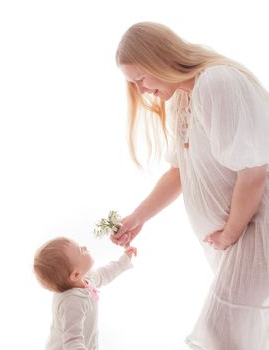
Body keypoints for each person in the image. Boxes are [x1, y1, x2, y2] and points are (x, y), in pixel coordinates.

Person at [111, 21, 269, 350]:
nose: (141, 91)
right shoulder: (182, 100)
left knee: (223, 334)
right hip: (237, 239)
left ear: (159, 58)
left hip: (252, 230)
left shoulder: (216, 82)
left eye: (141, 79)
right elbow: (179, 172)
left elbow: (254, 172)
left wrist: (230, 233)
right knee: (239, 335)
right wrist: (137, 217)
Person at [33, 236, 136, 350]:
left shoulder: (84, 279)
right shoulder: (71, 302)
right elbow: (73, 341)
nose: (85, 247)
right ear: (75, 274)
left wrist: (124, 260)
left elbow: (104, 274)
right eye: (81, 250)